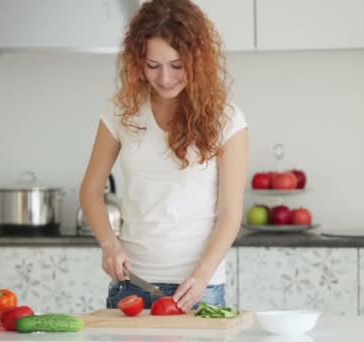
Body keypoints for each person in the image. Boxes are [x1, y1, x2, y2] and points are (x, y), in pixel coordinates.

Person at [79, 0, 248, 312]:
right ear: (138, 62)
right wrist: (109, 246)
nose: (165, 78)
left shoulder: (227, 119)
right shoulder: (121, 111)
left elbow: (230, 215)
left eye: (177, 65)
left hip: (198, 288)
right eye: (152, 66)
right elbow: (90, 191)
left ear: (197, 60)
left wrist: (202, 276)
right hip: (131, 284)